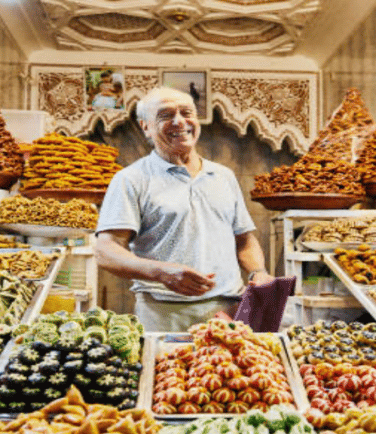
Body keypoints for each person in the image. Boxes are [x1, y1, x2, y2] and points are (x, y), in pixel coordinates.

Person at [94, 86, 274, 332]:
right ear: (145, 126)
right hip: (164, 313)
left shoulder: (223, 176)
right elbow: (106, 250)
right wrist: (161, 272)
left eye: (186, 112)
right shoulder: (132, 179)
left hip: (229, 309)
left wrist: (258, 272)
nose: (180, 121)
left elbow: (243, 240)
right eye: (166, 115)